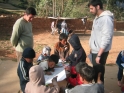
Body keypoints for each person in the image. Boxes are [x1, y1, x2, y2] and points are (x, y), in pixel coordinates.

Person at [88, 0, 114, 83]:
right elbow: (95, 35)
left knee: (99, 75)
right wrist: (92, 48)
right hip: (95, 51)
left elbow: (106, 37)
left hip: (100, 52)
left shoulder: (106, 19)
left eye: (92, 8)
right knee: (95, 73)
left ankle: (99, 90)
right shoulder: (97, 18)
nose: (90, 11)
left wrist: (99, 55)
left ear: (98, 7)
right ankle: (97, 89)